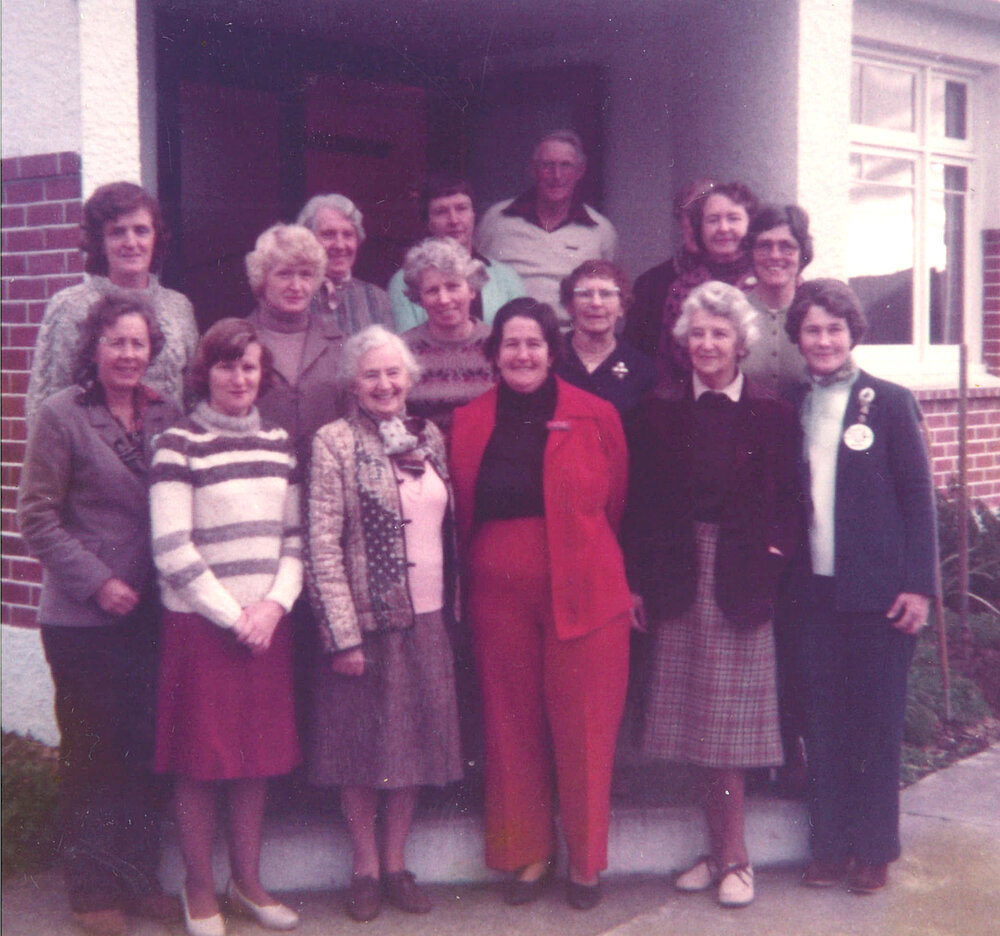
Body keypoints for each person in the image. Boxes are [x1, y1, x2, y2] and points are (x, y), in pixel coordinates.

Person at [450, 298, 632, 911]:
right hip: (497, 593)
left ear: (553, 352)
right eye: (510, 344)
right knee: (510, 723)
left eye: (534, 344)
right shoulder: (470, 420)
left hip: (586, 584)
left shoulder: (596, 414)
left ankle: (585, 861)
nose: (522, 354)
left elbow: (617, 502)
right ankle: (527, 853)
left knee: (584, 726)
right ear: (493, 353)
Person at [623, 281, 799, 908]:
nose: (707, 343)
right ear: (683, 342)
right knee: (696, 724)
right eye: (697, 333)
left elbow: (791, 503)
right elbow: (639, 505)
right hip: (677, 573)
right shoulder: (658, 408)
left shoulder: (774, 411)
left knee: (729, 733)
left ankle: (737, 857)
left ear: (740, 342)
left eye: (719, 333)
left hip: (741, 575)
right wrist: (636, 582)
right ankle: (716, 849)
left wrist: (774, 558)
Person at [17, 295, 182, 936]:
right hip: (83, 618)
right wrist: (98, 581)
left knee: (144, 747)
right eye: (116, 342)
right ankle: (91, 888)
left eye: (139, 344)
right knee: (92, 751)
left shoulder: (166, 413)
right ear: (94, 348)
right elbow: (35, 516)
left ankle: (139, 879)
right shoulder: (62, 416)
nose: (128, 354)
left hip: (151, 612)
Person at [151, 318, 303, 936]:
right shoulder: (178, 443)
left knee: (256, 760)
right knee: (200, 763)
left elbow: (294, 541)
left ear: (262, 374)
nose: (238, 378)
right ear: (204, 373)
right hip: (202, 628)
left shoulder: (279, 442)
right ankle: (199, 889)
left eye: (249, 367)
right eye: (225, 365)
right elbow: (171, 548)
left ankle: (246, 882)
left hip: (266, 627)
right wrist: (233, 615)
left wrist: (272, 608)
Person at [785, 279, 937, 894]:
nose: (822, 340)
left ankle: (873, 850)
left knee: (875, 724)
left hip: (879, 594)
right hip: (811, 592)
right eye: (811, 330)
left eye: (833, 329)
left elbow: (918, 496)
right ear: (797, 337)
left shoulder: (890, 401)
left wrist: (919, 587)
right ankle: (826, 846)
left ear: (853, 334)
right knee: (821, 723)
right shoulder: (793, 402)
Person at [306, 325, 462, 923]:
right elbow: (322, 543)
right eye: (371, 374)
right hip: (368, 621)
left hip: (427, 616)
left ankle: (397, 864)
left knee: (414, 746)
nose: (383, 384)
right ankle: (365, 868)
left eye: (393, 373)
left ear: (410, 380)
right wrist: (342, 634)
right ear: (353, 382)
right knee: (361, 748)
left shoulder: (427, 437)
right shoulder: (333, 441)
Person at [26, 181, 197, 421]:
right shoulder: (69, 307)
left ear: (155, 238)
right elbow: (44, 407)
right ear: (100, 243)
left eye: (141, 230)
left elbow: (193, 398)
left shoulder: (179, 308)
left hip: (168, 452)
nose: (131, 242)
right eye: (117, 232)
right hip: (93, 455)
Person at [475, 130, 617, 318]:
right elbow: (476, 282)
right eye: (548, 165)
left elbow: (607, 294)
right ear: (534, 170)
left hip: (572, 339)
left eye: (566, 165)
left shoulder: (600, 230)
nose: (557, 176)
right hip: (512, 337)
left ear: (580, 171)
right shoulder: (496, 219)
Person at [244, 223, 345, 464]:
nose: (297, 286)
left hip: (326, 481)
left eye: (306, 275)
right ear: (262, 278)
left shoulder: (338, 342)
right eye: (285, 274)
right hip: (260, 479)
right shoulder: (238, 341)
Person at [388, 175, 526, 332]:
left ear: (474, 214)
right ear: (428, 222)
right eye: (441, 212)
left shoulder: (507, 278)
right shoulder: (404, 281)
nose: (454, 220)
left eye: (461, 208)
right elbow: (406, 346)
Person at [657, 181, 759, 389]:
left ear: (750, 225)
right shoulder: (683, 288)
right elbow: (667, 363)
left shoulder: (765, 282)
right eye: (713, 220)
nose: (723, 228)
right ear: (699, 229)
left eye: (733, 218)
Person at [398, 236, 495, 432]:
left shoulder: (496, 343)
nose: (443, 299)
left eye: (452, 287)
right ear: (419, 298)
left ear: (472, 290)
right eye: (432, 290)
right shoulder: (401, 350)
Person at [626, 178, 716, 358]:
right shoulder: (649, 284)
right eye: (690, 215)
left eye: (706, 217)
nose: (696, 225)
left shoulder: (739, 280)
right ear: (679, 220)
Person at [556, 259, 655, 417]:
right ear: (569, 307)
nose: (596, 303)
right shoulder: (551, 357)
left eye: (606, 294)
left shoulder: (641, 368)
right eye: (585, 294)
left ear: (622, 306)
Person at [296, 193, 395, 335]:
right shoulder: (295, 295)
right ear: (307, 240)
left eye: (348, 235)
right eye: (328, 234)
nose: (340, 245)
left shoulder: (377, 299)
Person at [741, 204, 814, 397]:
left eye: (787, 247)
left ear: (802, 254)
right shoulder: (733, 313)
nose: (775, 255)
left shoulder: (815, 314)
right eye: (764, 246)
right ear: (751, 252)